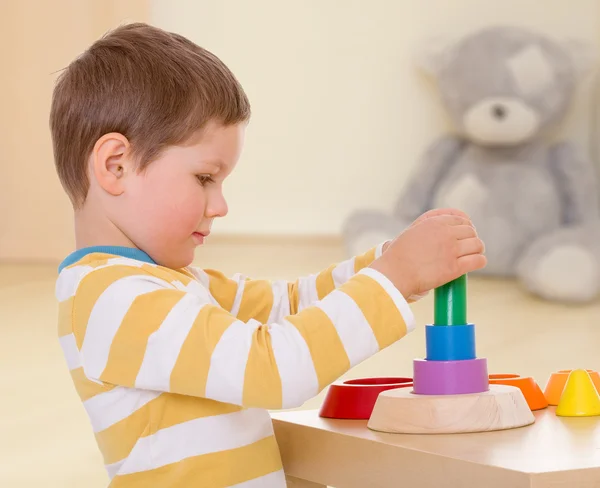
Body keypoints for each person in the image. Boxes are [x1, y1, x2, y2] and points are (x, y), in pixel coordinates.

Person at [51, 22, 486, 487]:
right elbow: (271, 369)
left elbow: (289, 304)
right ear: (116, 165)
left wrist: (393, 264)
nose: (220, 206)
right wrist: (393, 278)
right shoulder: (112, 299)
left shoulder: (171, 283)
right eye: (204, 178)